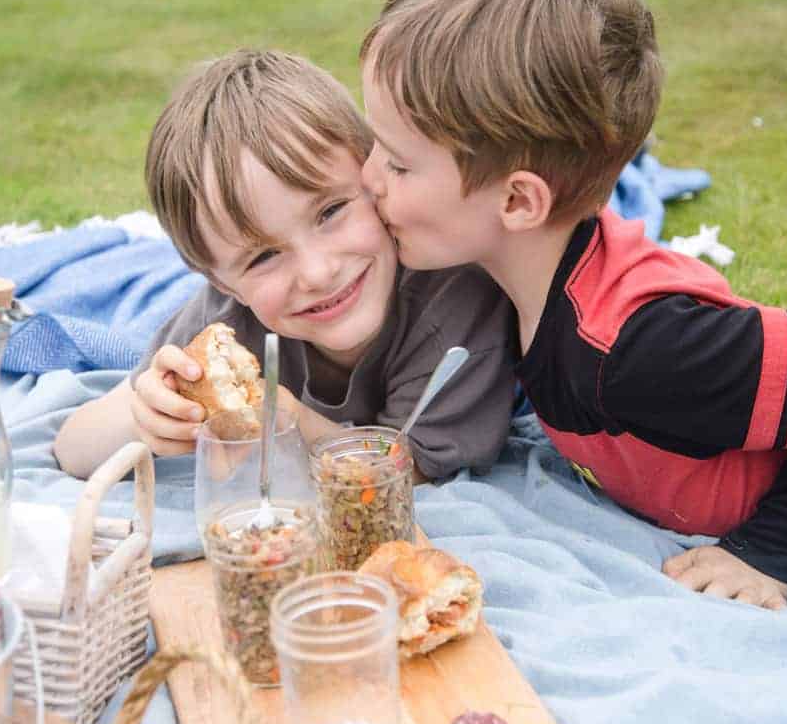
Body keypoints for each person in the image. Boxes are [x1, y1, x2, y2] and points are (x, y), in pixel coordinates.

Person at [359, 0, 787, 610]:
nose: (368, 178)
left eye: (396, 163)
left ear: (518, 203)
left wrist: (771, 548)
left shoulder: (636, 345)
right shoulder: (498, 282)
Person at [54, 48, 517, 483]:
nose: (317, 272)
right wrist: (147, 416)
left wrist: (288, 421)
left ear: (375, 178)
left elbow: (401, 477)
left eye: (330, 212)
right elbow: (72, 447)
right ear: (222, 282)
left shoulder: (454, 303)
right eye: (264, 256)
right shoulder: (225, 325)